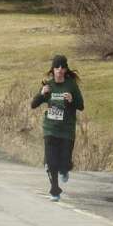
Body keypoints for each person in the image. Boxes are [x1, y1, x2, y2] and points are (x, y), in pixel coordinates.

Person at [30, 55, 85, 201]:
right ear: (53, 70)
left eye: (62, 67)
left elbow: (81, 106)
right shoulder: (48, 85)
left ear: (66, 69)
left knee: (64, 162)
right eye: (57, 67)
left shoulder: (71, 85)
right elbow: (33, 105)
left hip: (66, 130)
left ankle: (65, 169)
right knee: (51, 161)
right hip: (50, 128)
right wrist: (42, 94)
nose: (60, 70)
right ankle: (54, 189)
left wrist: (72, 100)